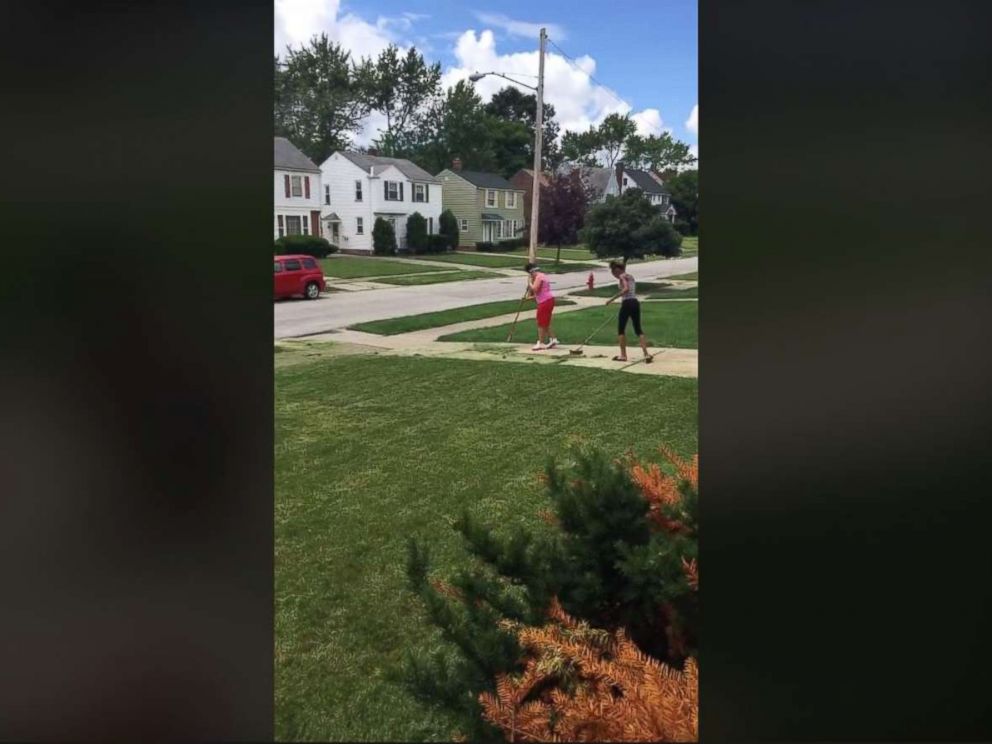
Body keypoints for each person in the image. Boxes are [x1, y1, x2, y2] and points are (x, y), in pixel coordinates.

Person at [606, 260, 652, 363]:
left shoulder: (622, 276)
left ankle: (623, 356)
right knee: (638, 329)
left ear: (617, 270)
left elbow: (626, 289)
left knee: (621, 329)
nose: (614, 275)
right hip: (635, 303)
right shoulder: (630, 276)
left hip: (627, 303)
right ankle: (646, 354)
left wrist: (611, 299)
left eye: (614, 273)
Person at [524, 262, 558, 351]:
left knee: (541, 322)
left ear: (531, 272)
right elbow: (540, 292)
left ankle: (541, 342)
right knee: (546, 321)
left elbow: (535, 289)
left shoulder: (539, 277)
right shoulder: (543, 275)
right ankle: (553, 339)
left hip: (544, 302)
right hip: (549, 299)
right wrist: (531, 297)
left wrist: (529, 283)